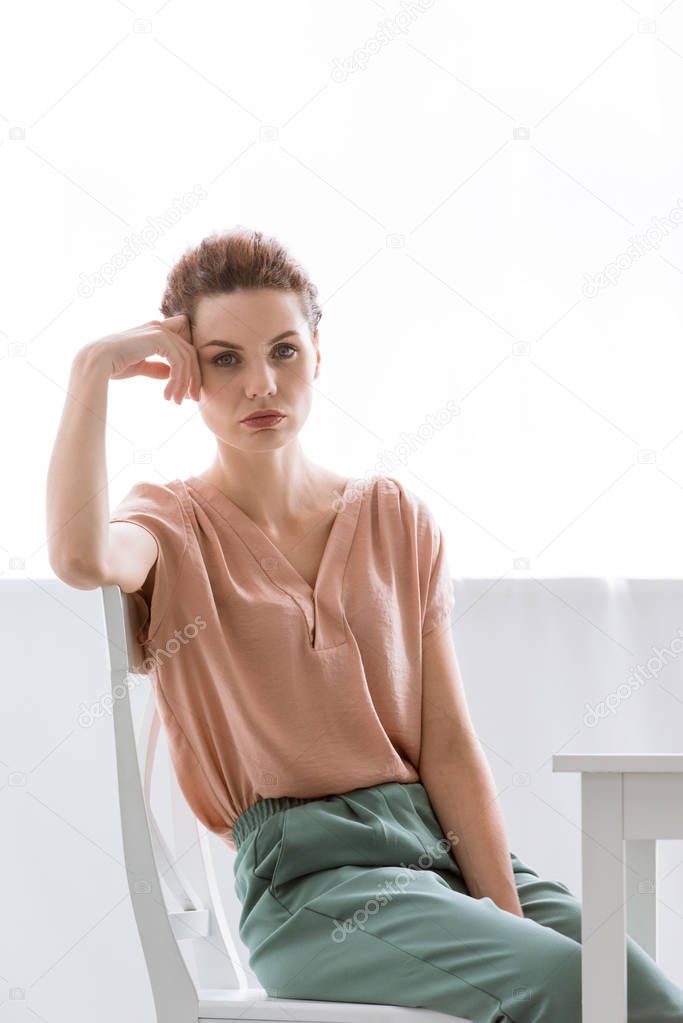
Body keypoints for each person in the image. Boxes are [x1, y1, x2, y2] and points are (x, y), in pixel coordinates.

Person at [46, 227, 683, 1022]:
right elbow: (78, 556)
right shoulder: (170, 524)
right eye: (225, 359)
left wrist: (502, 912)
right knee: (565, 989)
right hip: (315, 889)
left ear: (317, 354)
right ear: (188, 376)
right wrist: (91, 369)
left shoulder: (392, 517)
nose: (258, 385)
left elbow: (447, 744)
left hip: (439, 857)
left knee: (645, 996)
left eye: (282, 351)